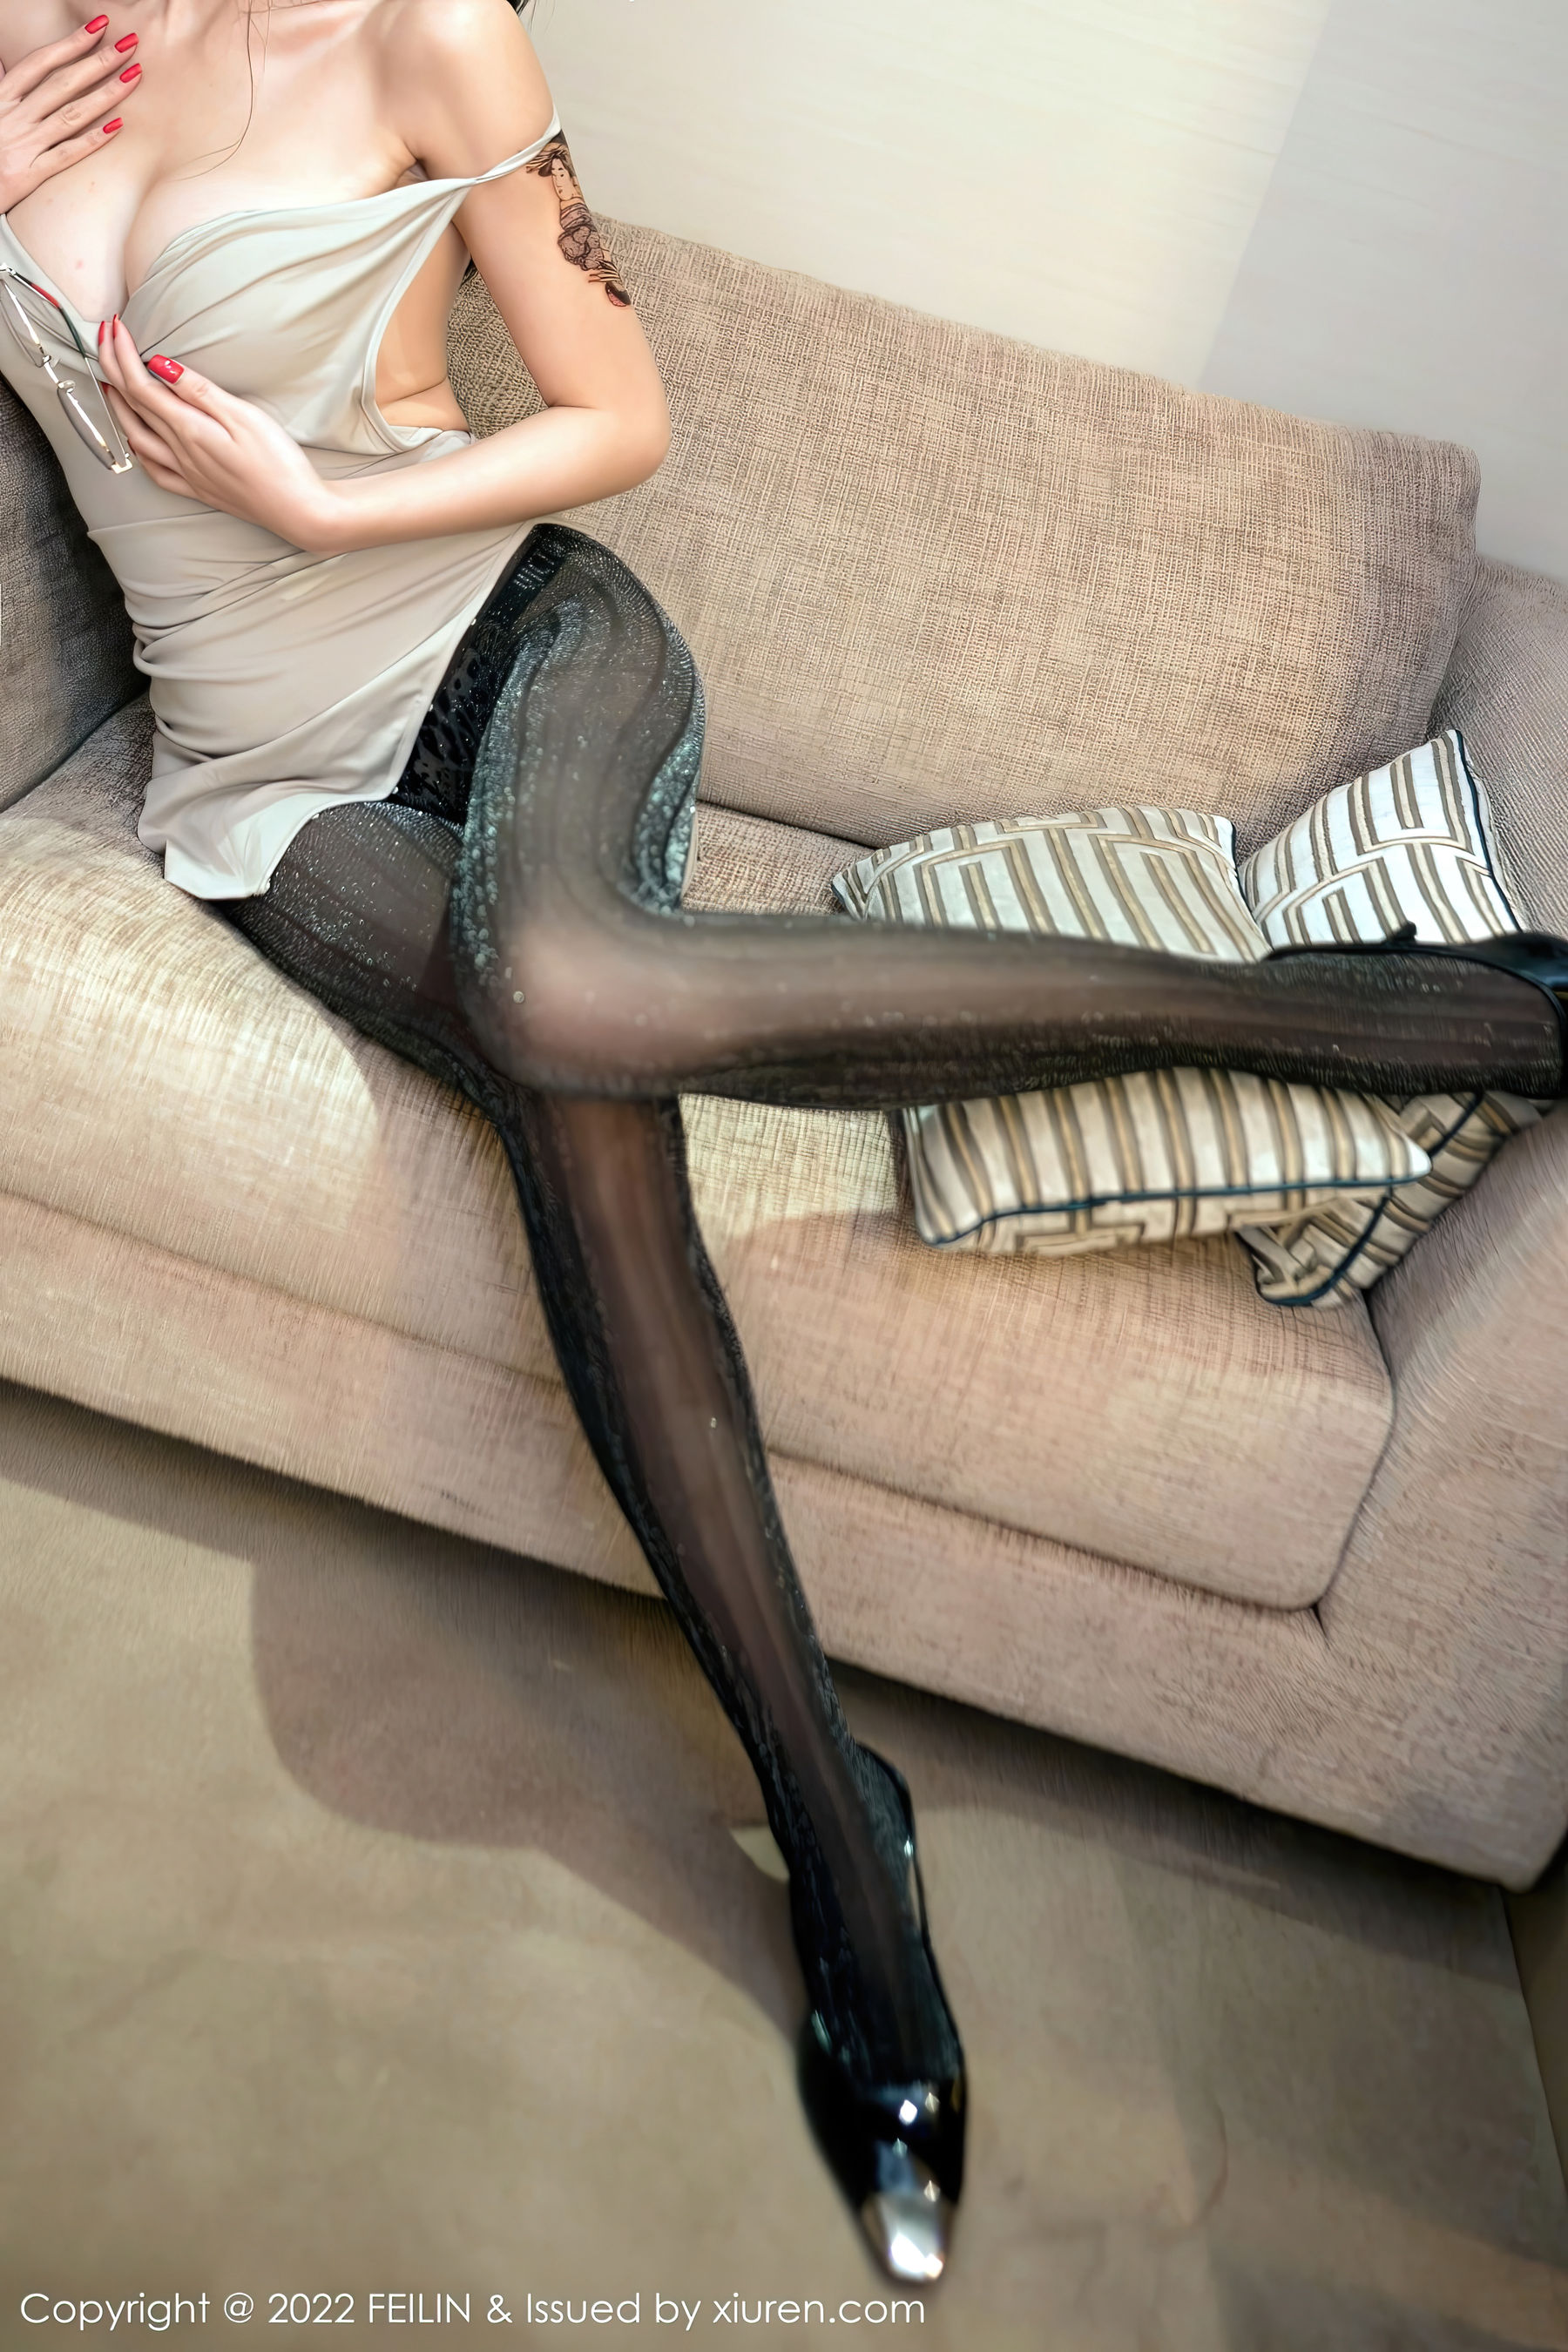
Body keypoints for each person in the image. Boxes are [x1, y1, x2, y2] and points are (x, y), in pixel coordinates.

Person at [2, 0, 1565, 2291]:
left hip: (515, 652)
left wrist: (325, 501)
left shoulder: (435, 35)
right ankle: (849, 1807)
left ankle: (1346, 1020)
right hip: (262, 787)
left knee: (566, 994)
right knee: (580, 1098)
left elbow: (620, 416)